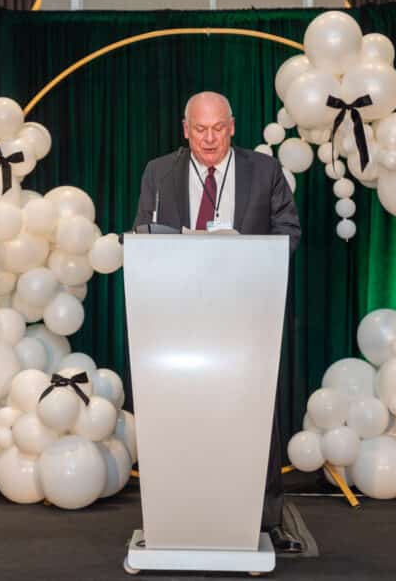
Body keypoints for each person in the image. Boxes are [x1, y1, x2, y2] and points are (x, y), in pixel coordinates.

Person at [133, 91, 303, 553]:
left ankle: (266, 521)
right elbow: (142, 234)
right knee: (179, 416)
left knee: (256, 417)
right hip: (177, 318)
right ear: (185, 130)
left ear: (232, 127)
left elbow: (289, 232)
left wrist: (249, 257)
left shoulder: (264, 170)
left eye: (217, 129)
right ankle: (176, 515)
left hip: (247, 314)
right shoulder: (159, 173)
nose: (209, 139)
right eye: (200, 130)